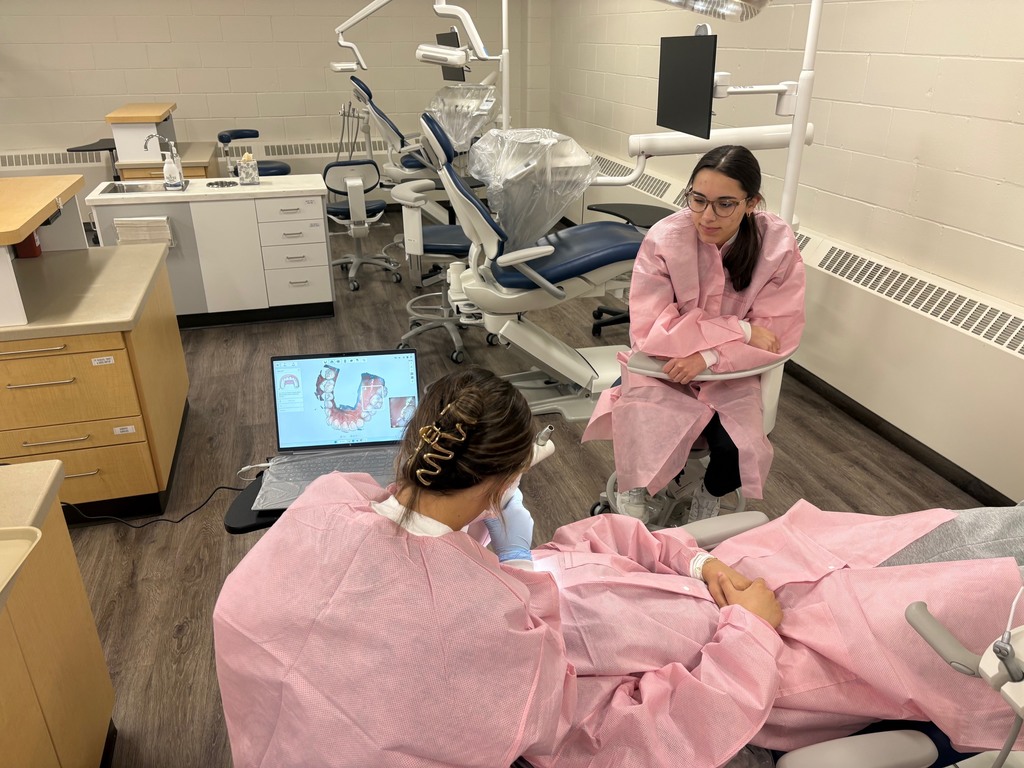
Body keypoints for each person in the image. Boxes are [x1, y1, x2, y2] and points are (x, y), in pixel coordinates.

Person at [214, 367, 1024, 768]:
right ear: (502, 484)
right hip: (782, 649)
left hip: (731, 575)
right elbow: (641, 739)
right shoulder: (492, 646)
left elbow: (599, 543)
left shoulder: (339, 513)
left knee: (936, 528)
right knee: (978, 594)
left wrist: (699, 558)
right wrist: (750, 628)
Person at [582, 145, 806, 522]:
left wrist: (709, 356)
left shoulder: (776, 245)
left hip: (730, 372)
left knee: (739, 448)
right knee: (648, 417)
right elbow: (652, 329)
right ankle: (635, 488)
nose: (706, 216)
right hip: (662, 364)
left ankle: (708, 493)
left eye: (724, 204)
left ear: (752, 203)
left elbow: (776, 335)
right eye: (697, 200)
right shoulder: (665, 239)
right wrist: (741, 329)